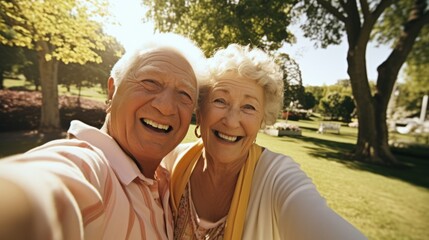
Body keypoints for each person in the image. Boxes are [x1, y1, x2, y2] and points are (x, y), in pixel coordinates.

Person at [0, 32, 205, 240]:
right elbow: (43, 188)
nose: (166, 106)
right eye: (150, 82)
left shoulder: (168, 183)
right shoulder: (88, 167)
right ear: (112, 91)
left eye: (184, 95)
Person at [162, 44, 367, 240]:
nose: (232, 121)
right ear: (200, 109)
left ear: (262, 119)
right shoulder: (170, 163)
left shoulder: (277, 177)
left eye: (249, 107)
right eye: (220, 101)